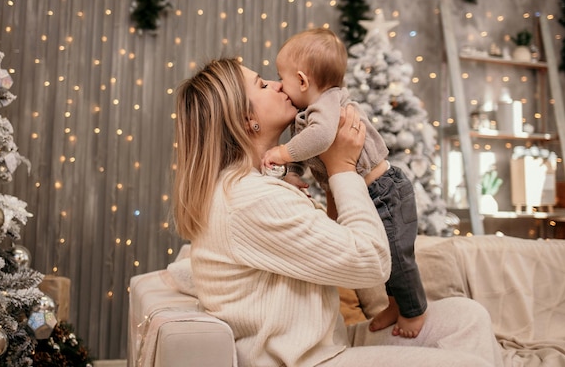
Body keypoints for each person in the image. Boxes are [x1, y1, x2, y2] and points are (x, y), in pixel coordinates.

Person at [172, 57, 503, 367]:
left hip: (327, 346)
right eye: (261, 85)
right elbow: (372, 262)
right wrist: (343, 168)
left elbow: (323, 247)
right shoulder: (249, 199)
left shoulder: (252, 184)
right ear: (248, 120)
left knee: (466, 317)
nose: (276, 85)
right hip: (307, 361)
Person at [262, 27, 427, 338]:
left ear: (302, 80)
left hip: (385, 191)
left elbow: (321, 138)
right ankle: (395, 305)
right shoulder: (307, 115)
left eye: (281, 77)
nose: (280, 85)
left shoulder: (328, 103)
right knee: (389, 257)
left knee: (397, 254)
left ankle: (415, 311)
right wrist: (294, 171)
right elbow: (307, 145)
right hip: (368, 192)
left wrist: (282, 153)